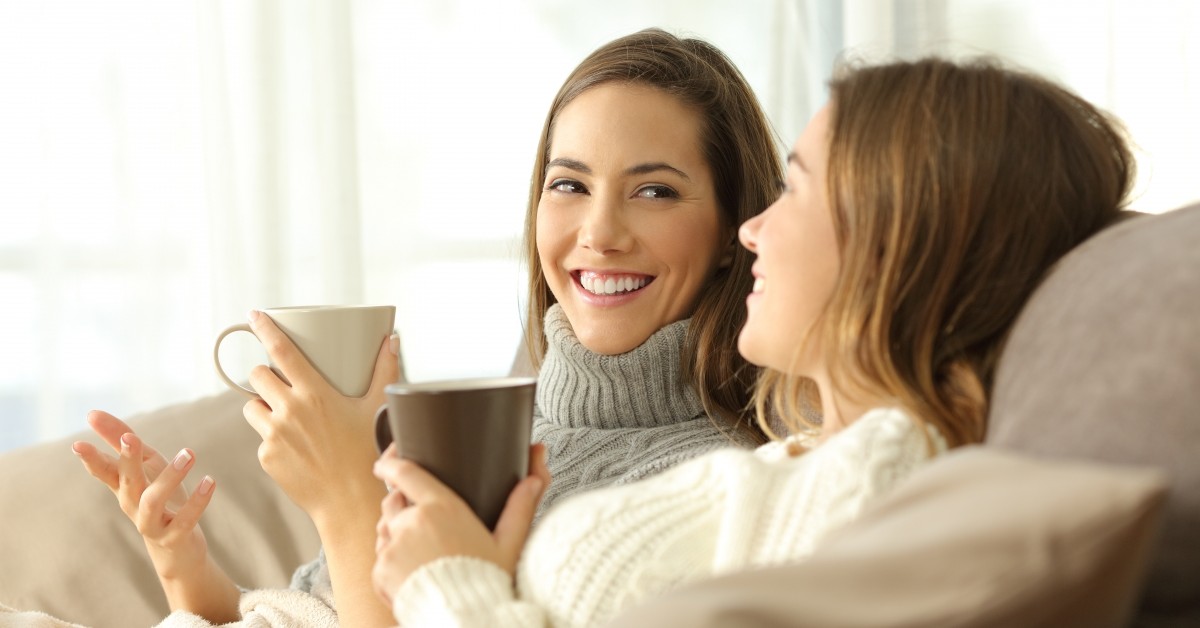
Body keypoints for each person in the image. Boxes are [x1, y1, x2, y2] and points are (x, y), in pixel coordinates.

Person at [370, 55, 1135, 627]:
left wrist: (449, 587)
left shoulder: (868, 491)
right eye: (567, 182)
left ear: (891, 247)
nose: (752, 229)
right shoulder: (806, 466)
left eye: (795, 188)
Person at [66, 28, 783, 627]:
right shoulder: (474, 428)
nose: (598, 233)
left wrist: (350, 501)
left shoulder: (727, 486)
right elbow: (324, 613)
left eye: (653, 191)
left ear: (733, 231)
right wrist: (182, 561)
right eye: (569, 184)